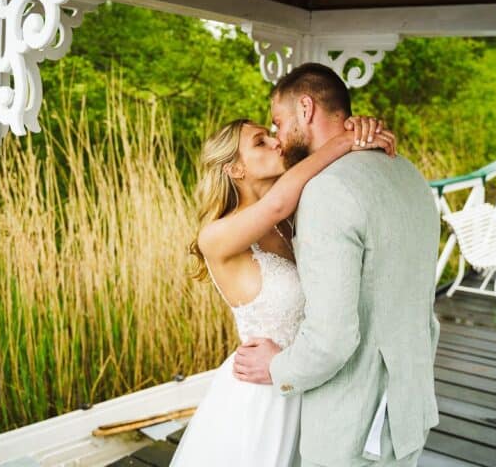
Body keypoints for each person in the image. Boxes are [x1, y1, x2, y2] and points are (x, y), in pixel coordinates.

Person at [170, 91, 397, 465]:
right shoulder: (215, 236)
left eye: (270, 133)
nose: (276, 141)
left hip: (306, 382)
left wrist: (359, 131)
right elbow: (278, 200)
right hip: (260, 397)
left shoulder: (290, 221)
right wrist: (344, 140)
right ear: (234, 169)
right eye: (260, 141)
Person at [232, 63, 441, 466]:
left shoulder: (327, 192)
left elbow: (332, 340)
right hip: (408, 408)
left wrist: (276, 366)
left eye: (277, 123)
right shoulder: (407, 171)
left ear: (305, 108)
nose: (277, 137)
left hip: (354, 427)